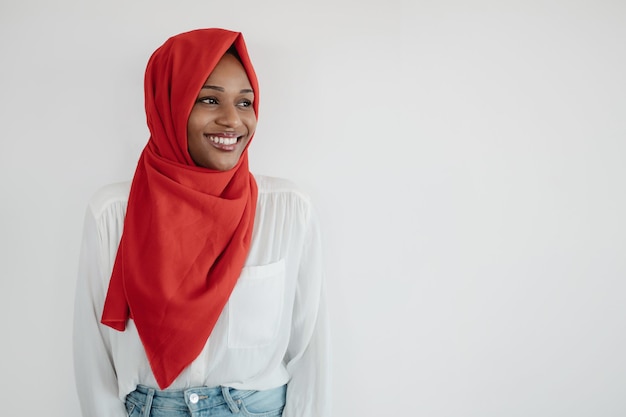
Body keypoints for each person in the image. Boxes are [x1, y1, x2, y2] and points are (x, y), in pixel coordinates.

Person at [73, 28, 330, 417]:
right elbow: (94, 361)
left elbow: (310, 353)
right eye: (209, 99)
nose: (232, 121)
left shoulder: (288, 210)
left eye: (245, 103)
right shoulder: (113, 213)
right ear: (169, 105)